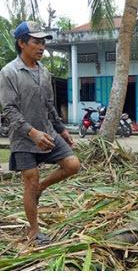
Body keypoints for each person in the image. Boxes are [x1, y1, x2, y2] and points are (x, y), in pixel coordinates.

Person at [0, 21, 81, 244]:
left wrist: (61, 129)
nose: (42, 46)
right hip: (23, 138)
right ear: (22, 43)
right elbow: (8, 109)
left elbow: (49, 104)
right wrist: (32, 133)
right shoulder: (9, 72)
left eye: (43, 42)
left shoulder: (44, 72)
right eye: (36, 42)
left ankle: (41, 188)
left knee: (72, 165)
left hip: (48, 132)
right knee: (30, 180)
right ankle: (34, 231)